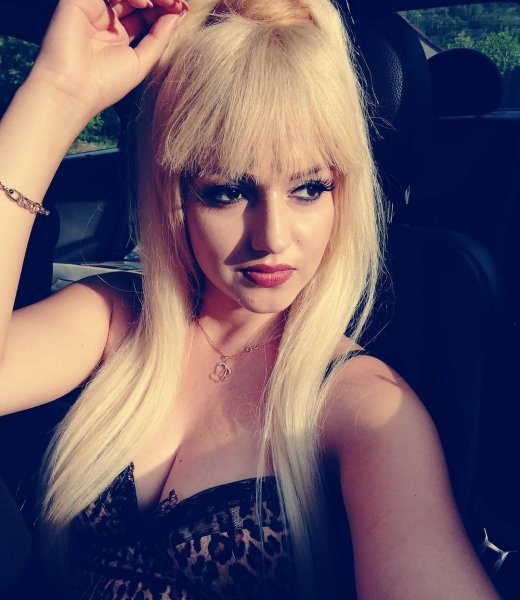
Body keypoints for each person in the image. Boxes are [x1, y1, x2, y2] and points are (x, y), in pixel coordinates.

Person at [0, 0, 502, 598]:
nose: (272, 238)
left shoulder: (365, 408)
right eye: (228, 191)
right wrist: (56, 93)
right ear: (175, 194)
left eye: (309, 188)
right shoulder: (113, 318)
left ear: (343, 194)